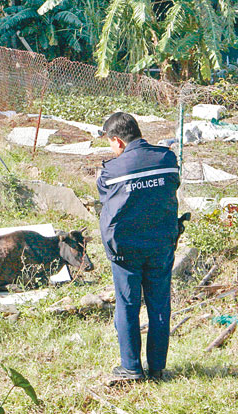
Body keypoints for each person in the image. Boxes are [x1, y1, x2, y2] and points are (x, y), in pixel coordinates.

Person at [96, 112, 180, 381]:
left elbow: (106, 200)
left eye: (110, 143)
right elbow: (171, 187)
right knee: (159, 305)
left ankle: (131, 367)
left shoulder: (110, 171)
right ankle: (157, 369)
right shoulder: (168, 159)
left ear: (118, 142)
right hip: (160, 245)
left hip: (125, 250)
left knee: (127, 305)